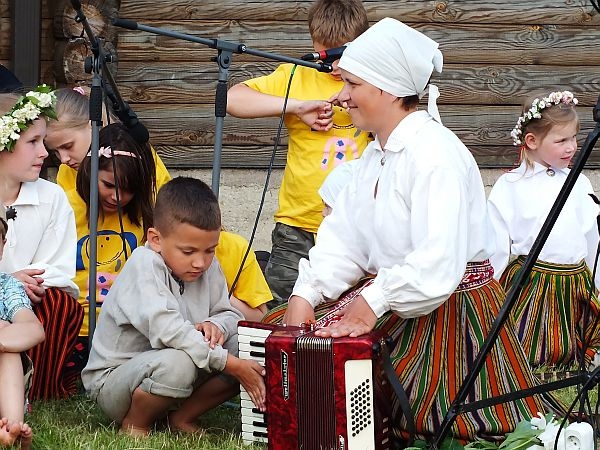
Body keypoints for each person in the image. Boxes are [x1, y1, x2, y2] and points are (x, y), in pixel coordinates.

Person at [265, 18, 563, 444]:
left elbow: (436, 262)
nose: (341, 96)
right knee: (286, 336)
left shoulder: (434, 155)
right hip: (396, 293)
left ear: (386, 88)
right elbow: (345, 237)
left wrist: (372, 301)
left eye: (352, 84)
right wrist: (304, 294)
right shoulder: (376, 156)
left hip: (449, 311)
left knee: (439, 422)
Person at [82, 177, 266, 437]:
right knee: (178, 362)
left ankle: (181, 418)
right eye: (188, 251)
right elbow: (169, 331)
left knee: (243, 344)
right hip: (115, 382)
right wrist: (231, 365)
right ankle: (135, 424)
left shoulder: (207, 266)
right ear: (156, 239)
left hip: (176, 367)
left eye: (209, 250)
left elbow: (230, 313)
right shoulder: (143, 265)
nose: (201, 262)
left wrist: (217, 325)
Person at [227, 0, 372, 306]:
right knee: (281, 307)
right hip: (298, 224)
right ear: (313, 45)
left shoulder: (373, 81)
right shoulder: (296, 74)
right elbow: (233, 99)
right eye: (326, 56)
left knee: (350, 308)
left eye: (343, 55)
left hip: (358, 223)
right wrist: (296, 106)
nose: (334, 67)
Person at [488, 90, 600, 370]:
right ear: (532, 141)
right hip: (533, 284)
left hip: (575, 283)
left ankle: (574, 371)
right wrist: (489, 296)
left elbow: (592, 240)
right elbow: (497, 245)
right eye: (561, 140)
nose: (571, 147)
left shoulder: (579, 183)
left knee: (577, 349)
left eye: (574, 137)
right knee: (530, 349)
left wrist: (597, 285)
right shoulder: (510, 186)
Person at [0, 86, 83, 401]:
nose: (44, 153)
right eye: (32, 142)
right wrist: (7, 280)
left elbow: (60, 267)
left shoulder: (51, 197)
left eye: (42, 141)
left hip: (31, 301)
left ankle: (37, 389)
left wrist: (20, 284)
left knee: (61, 306)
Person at [65, 122, 158, 374]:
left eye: (127, 190)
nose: (117, 197)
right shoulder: (64, 206)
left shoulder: (145, 216)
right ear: (89, 170)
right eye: (108, 185)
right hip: (75, 327)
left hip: (125, 329)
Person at [43, 86, 171, 192]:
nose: (63, 159)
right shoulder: (66, 172)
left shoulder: (135, 154)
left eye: (68, 146)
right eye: (55, 152)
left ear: (93, 125)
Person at [0, 205, 45, 449]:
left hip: (3, 382)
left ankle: (11, 428)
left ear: (3, 244)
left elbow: (34, 329)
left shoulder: (7, 287)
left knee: (9, 345)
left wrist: (3, 339)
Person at [216, 230, 272, 321]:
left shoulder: (235, 246)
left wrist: (220, 294)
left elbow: (262, 318)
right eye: (188, 252)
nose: (199, 263)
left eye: (210, 250)